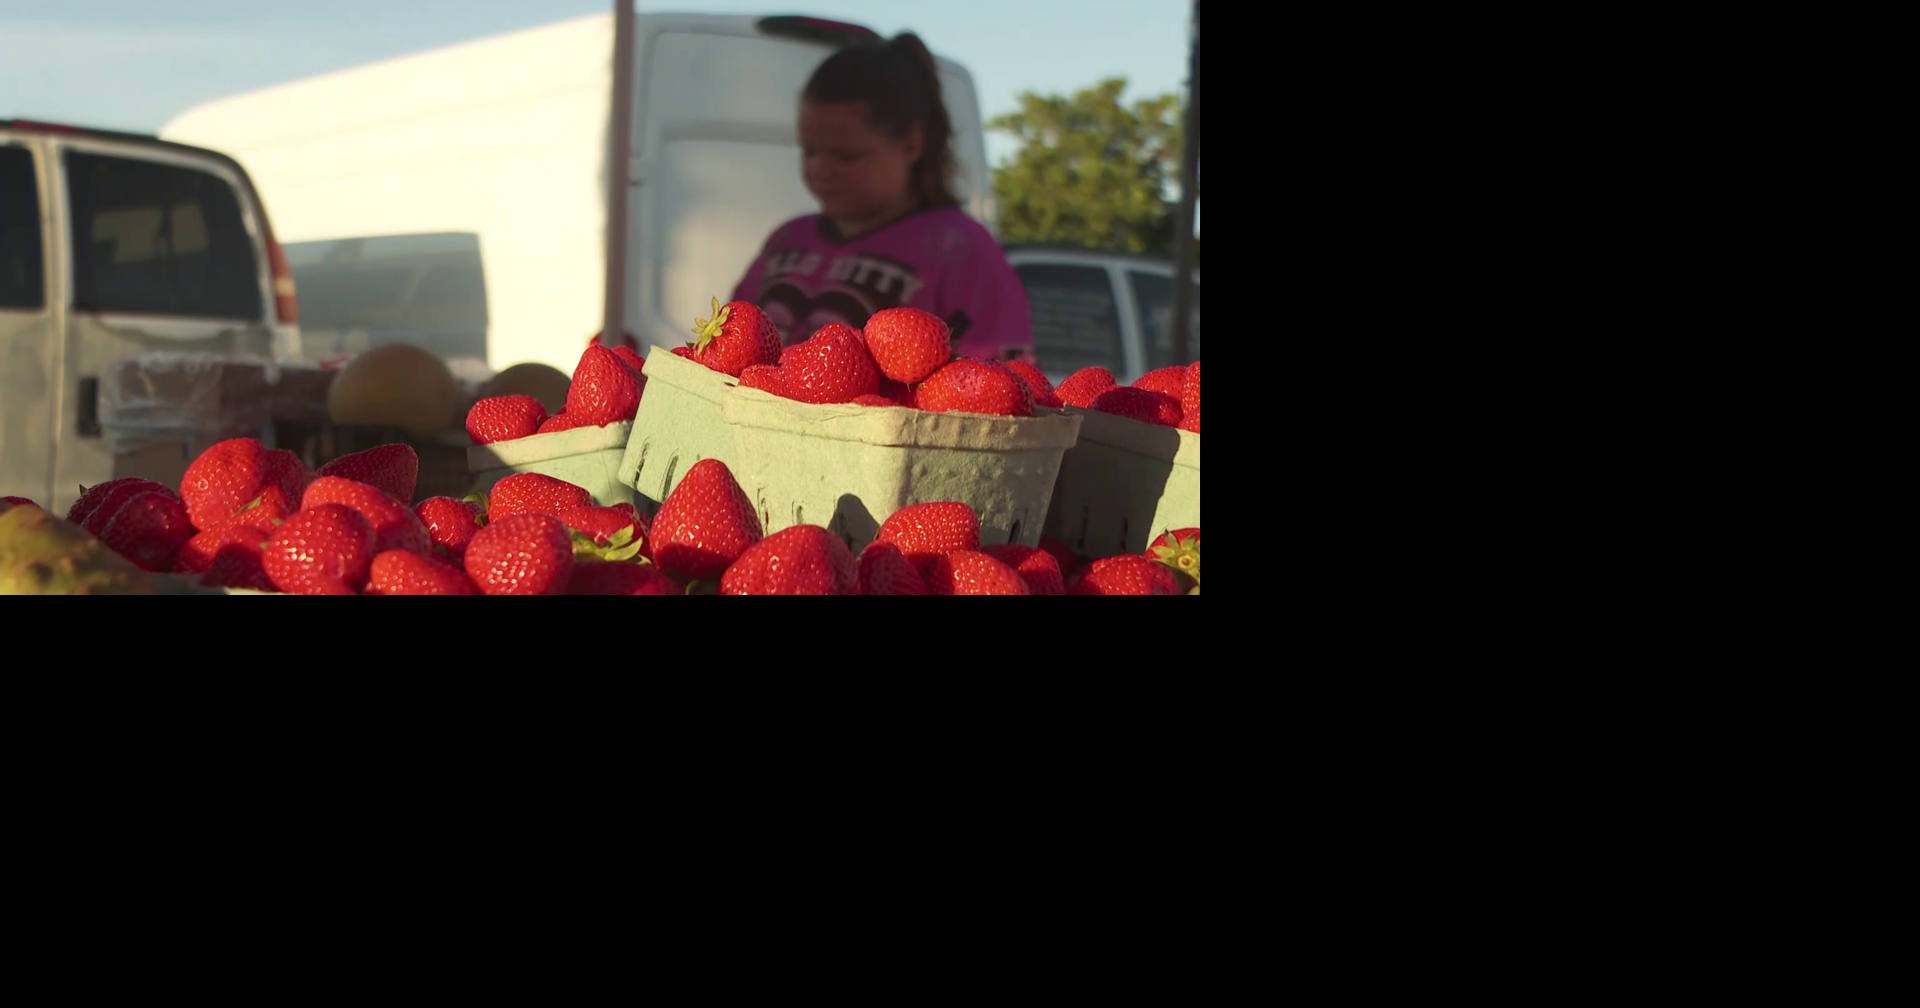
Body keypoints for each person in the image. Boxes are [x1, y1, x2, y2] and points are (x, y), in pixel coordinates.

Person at [730, 32, 1035, 364]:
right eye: (809, 151)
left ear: (911, 145)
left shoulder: (962, 251)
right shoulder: (787, 240)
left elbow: (1002, 388)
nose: (819, 170)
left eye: (845, 155)